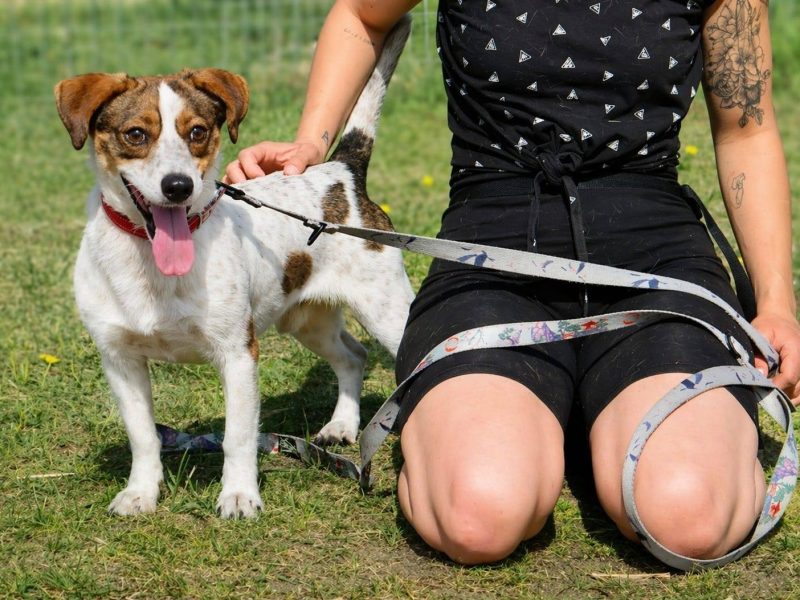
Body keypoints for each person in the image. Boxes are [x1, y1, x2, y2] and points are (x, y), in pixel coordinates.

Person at [225, 0, 800, 566]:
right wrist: (309, 144)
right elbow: (361, 14)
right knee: (477, 514)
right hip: (489, 251)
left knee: (689, 516)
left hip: (655, 256)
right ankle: (558, 425)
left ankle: (587, 418)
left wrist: (777, 302)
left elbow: (746, 131)